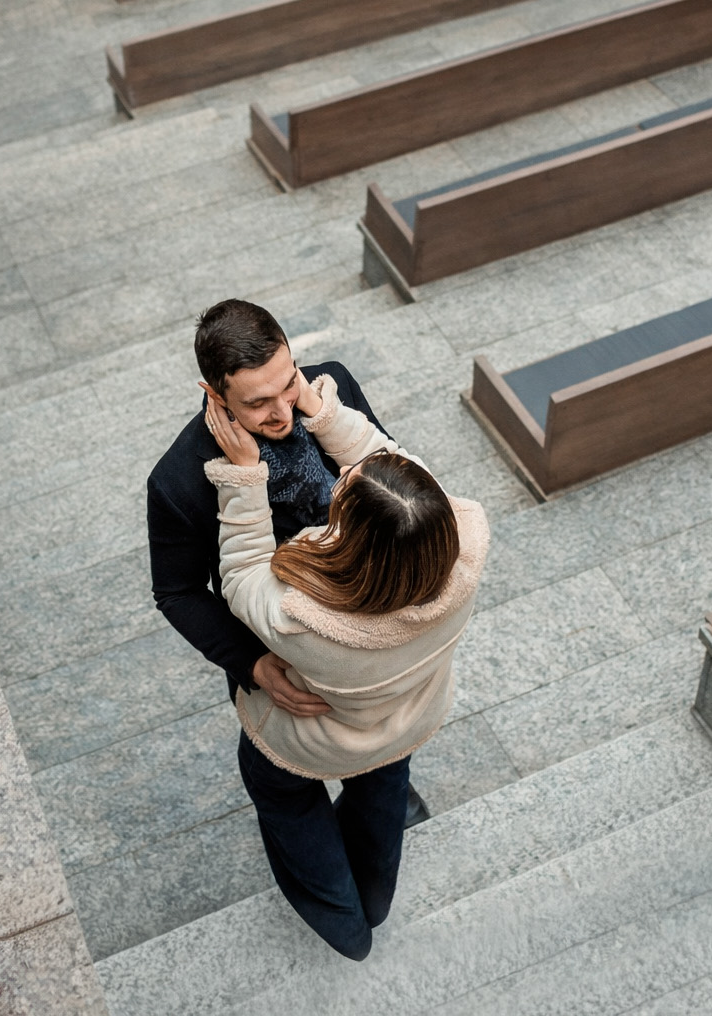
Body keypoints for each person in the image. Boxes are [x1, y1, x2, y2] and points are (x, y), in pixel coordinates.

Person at [202, 357, 487, 961]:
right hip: (408, 715)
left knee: (286, 799)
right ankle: (376, 899)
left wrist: (245, 478)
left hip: (315, 738)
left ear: (354, 540)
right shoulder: (459, 541)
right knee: (384, 787)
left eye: (344, 491)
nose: (338, 479)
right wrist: (324, 411)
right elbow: (401, 468)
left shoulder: (307, 620)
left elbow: (244, 575)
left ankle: (343, 925)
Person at [147, 300, 432, 827]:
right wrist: (251, 664)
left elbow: (390, 480)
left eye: (289, 382)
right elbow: (177, 592)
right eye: (258, 403)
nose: (283, 410)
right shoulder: (179, 477)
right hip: (276, 637)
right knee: (282, 776)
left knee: (381, 753)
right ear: (214, 393)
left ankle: (386, 793)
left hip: (369, 618)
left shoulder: (329, 385)